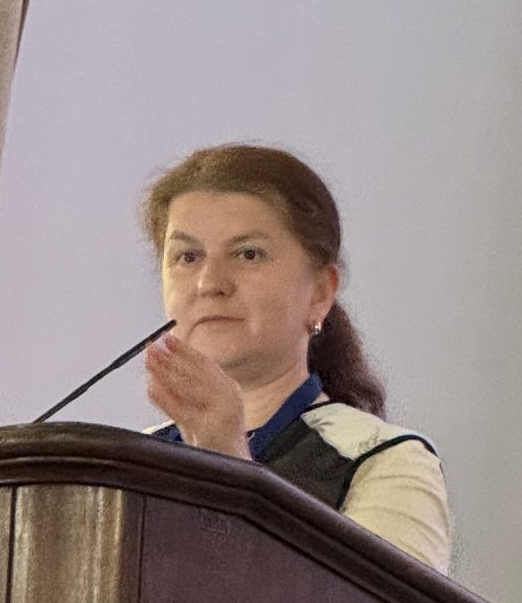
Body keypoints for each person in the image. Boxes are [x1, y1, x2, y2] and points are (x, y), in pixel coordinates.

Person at [140, 143, 451, 575]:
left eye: (248, 254)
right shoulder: (127, 461)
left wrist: (226, 460)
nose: (209, 283)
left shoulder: (383, 463)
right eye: (188, 257)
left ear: (320, 293)